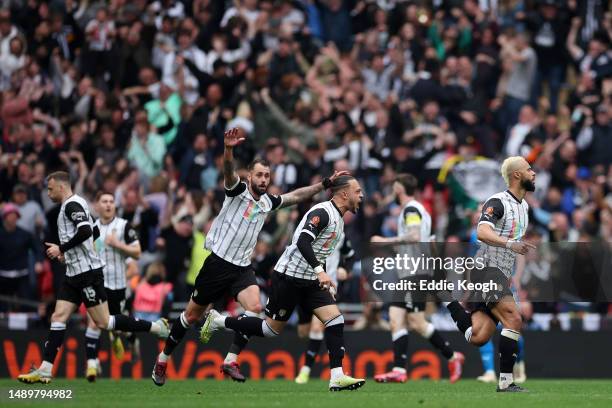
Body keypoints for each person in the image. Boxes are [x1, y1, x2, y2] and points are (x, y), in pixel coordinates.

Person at [151, 128, 349, 386]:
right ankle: (163, 358)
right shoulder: (237, 190)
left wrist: (324, 184)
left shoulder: (268, 202)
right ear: (250, 176)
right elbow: (228, 171)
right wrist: (229, 149)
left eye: (267, 175)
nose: (264, 179)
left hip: (242, 268)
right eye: (259, 175)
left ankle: (230, 359)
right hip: (218, 264)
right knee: (190, 317)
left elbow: (296, 195)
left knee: (255, 309)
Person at [200, 175, 366, 392]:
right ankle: (219, 321)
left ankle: (337, 376)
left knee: (335, 320)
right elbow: (303, 241)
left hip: (310, 280)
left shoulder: (338, 219)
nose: (361, 195)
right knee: (270, 330)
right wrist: (320, 272)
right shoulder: (323, 212)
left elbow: (320, 251)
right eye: (358, 191)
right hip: (288, 277)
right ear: (344, 194)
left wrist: (323, 277)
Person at [17, 172, 169, 385]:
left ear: (61, 187)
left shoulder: (72, 205)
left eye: (50, 189)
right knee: (58, 317)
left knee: (104, 322)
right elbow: (94, 236)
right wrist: (68, 255)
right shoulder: (74, 206)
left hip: (88, 275)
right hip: (73, 273)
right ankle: (45, 369)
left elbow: (86, 231)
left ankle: (156, 327)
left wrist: (62, 248)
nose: (48, 192)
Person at [443, 156, 536, 392]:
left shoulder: (524, 206)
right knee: (514, 319)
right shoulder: (498, 201)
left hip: (500, 273)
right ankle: (506, 382)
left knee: (478, 336)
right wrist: (510, 245)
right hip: (486, 270)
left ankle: (449, 302)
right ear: (517, 175)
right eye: (529, 169)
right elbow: (482, 231)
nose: (533, 173)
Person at [370, 174, 465, 383]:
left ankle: (452, 356)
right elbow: (427, 241)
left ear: (398, 188)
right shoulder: (421, 210)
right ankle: (399, 370)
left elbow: (413, 236)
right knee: (397, 319)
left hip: (415, 273)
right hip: (409, 272)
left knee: (416, 322)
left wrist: (385, 241)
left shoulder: (411, 209)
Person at [84, 191, 142, 382]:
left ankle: (131, 340)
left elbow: (137, 253)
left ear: (115, 206)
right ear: (97, 206)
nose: (108, 205)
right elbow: (91, 254)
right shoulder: (92, 229)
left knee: (118, 326)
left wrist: (118, 244)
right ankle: (92, 365)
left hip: (118, 287)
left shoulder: (124, 226)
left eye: (111, 201)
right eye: (104, 201)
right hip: (98, 284)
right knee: (94, 321)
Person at [294, 235, 354, 384]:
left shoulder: (341, 236)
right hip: (304, 285)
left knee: (317, 327)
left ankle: (305, 371)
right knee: (303, 332)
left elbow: (351, 256)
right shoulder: (309, 234)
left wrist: (345, 269)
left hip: (326, 289)